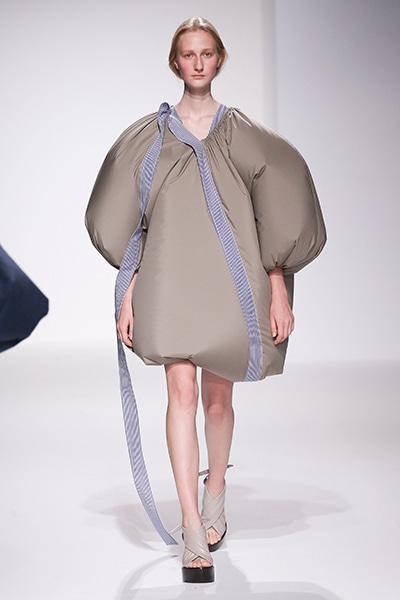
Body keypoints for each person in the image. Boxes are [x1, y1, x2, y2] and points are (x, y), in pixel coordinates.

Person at [85, 16, 326, 584]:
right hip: (169, 278)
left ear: (219, 60)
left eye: (207, 53)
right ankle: (192, 527)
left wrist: (277, 288)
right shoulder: (148, 138)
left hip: (229, 278)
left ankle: (215, 487)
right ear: (175, 63)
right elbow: (131, 220)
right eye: (188, 54)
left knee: (217, 401)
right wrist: (129, 290)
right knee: (181, 393)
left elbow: (276, 208)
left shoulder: (245, 136)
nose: (197, 62)